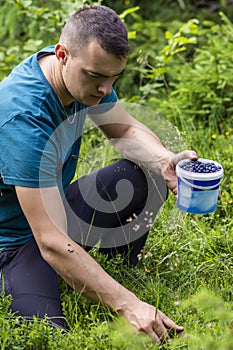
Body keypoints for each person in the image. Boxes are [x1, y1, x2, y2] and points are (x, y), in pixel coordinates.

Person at [0, 5, 197, 344]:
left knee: (147, 174)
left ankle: (109, 271)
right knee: (47, 334)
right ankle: (93, 282)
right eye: (96, 77)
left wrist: (164, 160)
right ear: (62, 54)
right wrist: (127, 304)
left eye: (113, 78)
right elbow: (47, 238)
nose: (105, 89)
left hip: (57, 211)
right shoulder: (23, 117)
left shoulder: (83, 77)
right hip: (16, 242)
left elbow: (124, 130)